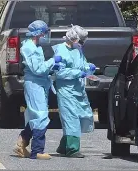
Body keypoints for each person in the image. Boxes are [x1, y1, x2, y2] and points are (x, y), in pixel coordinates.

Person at [13, 20, 62, 160]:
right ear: (39, 33)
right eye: (45, 32)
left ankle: (21, 142)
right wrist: (53, 61)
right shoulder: (29, 47)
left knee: (35, 115)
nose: (46, 35)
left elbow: (40, 68)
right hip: (34, 84)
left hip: (39, 83)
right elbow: (37, 69)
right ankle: (37, 151)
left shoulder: (36, 46)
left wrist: (52, 68)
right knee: (40, 115)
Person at [52, 25, 96, 158]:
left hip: (78, 89)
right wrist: (78, 73)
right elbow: (60, 72)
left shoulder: (77, 50)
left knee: (81, 116)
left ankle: (64, 146)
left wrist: (89, 68)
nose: (81, 44)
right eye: (80, 40)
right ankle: (72, 148)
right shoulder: (61, 50)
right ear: (73, 37)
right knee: (71, 118)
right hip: (66, 90)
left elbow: (82, 64)